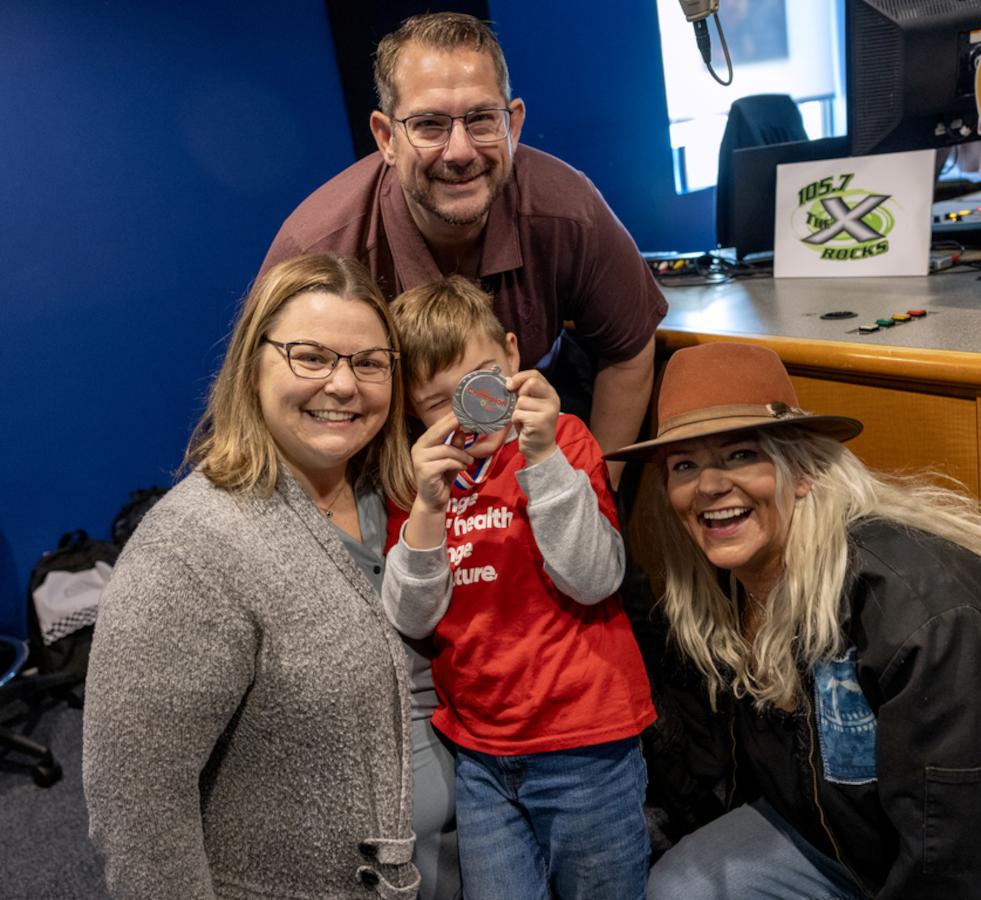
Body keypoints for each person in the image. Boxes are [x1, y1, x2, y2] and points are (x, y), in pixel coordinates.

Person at [606, 341, 981, 900]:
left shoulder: (922, 609)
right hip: (855, 845)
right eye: (685, 465)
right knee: (683, 888)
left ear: (801, 470)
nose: (708, 486)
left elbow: (971, 855)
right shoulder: (730, 583)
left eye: (740, 455)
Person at [83, 254, 420, 900]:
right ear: (252, 364)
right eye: (311, 357)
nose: (344, 385)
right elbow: (138, 810)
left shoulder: (402, 494)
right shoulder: (193, 547)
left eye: (369, 362)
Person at [261, 11, 666, 486]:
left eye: (480, 119)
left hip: (525, 470)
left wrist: (597, 494)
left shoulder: (568, 211)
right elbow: (270, 408)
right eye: (430, 125)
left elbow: (628, 351)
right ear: (387, 138)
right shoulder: (318, 246)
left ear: (512, 125)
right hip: (376, 480)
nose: (459, 151)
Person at [381, 276, 656, 900]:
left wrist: (542, 461)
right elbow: (412, 618)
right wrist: (426, 510)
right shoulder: (416, 484)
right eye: (439, 401)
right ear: (410, 409)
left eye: (482, 383)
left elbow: (594, 579)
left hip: (587, 741)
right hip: (480, 754)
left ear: (512, 357)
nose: (470, 412)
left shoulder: (566, 442)